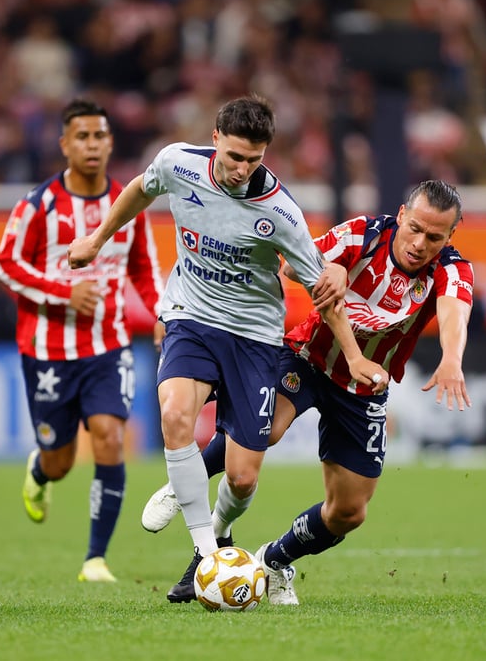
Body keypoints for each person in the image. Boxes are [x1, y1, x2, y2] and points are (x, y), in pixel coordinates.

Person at [66, 95, 388, 603]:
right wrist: (97, 239)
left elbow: (325, 294)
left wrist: (353, 356)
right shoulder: (179, 163)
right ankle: (207, 554)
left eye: (253, 160)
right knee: (175, 415)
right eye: (234, 156)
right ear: (215, 137)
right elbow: (138, 189)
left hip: (254, 339)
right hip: (190, 317)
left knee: (240, 478)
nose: (241, 169)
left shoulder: (280, 213)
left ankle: (212, 535)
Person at [140, 180, 475, 605]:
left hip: (363, 388)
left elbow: (454, 313)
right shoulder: (363, 234)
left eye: (435, 237)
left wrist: (451, 358)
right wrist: (326, 269)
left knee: (349, 512)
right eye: (415, 229)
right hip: (306, 358)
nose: (420, 243)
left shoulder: (452, 268)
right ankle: (185, 482)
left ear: (449, 237)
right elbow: (292, 266)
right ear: (402, 215)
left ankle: (274, 562)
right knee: (265, 431)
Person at [0, 98, 165, 583]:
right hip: (47, 352)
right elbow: (5, 265)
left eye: (100, 136)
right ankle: (42, 471)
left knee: (111, 436)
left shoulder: (128, 205)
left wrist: (161, 314)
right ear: (65, 144)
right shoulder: (38, 205)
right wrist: (65, 293)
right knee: (61, 459)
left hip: (109, 347)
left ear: (111, 143)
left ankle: (95, 559)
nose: (91, 145)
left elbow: (144, 270)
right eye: (82, 137)